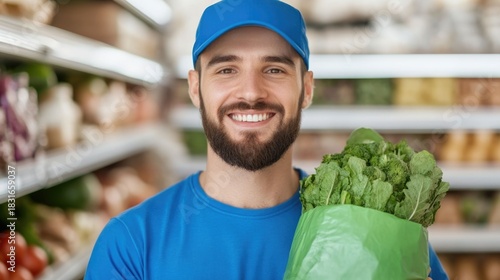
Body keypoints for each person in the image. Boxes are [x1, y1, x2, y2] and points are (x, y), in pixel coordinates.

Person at [84, 0, 449, 279]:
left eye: (273, 69)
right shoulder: (131, 245)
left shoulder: (380, 228)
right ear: (195, 88)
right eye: (227, 69)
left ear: (306, 89)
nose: (251, 92)